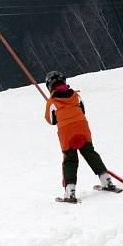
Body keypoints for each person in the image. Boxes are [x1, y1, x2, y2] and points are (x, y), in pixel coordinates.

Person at [43, 70, 117, 203]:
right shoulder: (75, 95)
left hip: (66, 131)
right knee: (90, 153)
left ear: (49, 86)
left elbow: (51, 120)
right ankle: (106, 180)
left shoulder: (52, 101)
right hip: (82, 126)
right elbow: (82, 109)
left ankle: (70, 192)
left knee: (70, 160)